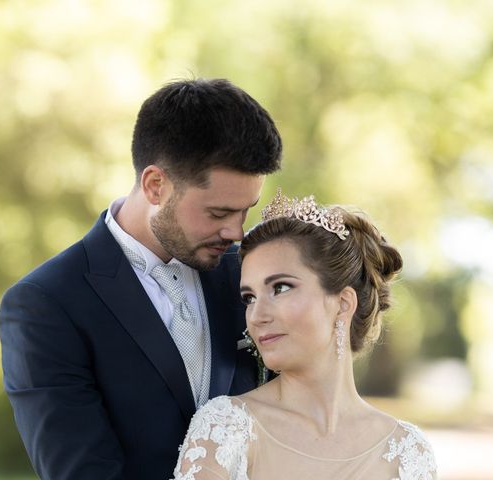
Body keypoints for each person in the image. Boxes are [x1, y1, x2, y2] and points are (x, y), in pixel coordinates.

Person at [0, 78, 282, 480]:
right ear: (155, 185)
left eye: (246, 210)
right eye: (219, 213)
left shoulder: (251, 276)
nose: (236, 233)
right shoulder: (46, 305)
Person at [172, 189, 437, 480]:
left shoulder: (407, 454)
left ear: (343, 303)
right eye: (249, 298)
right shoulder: (225, 429)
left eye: (280, 288)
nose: (257, 316)